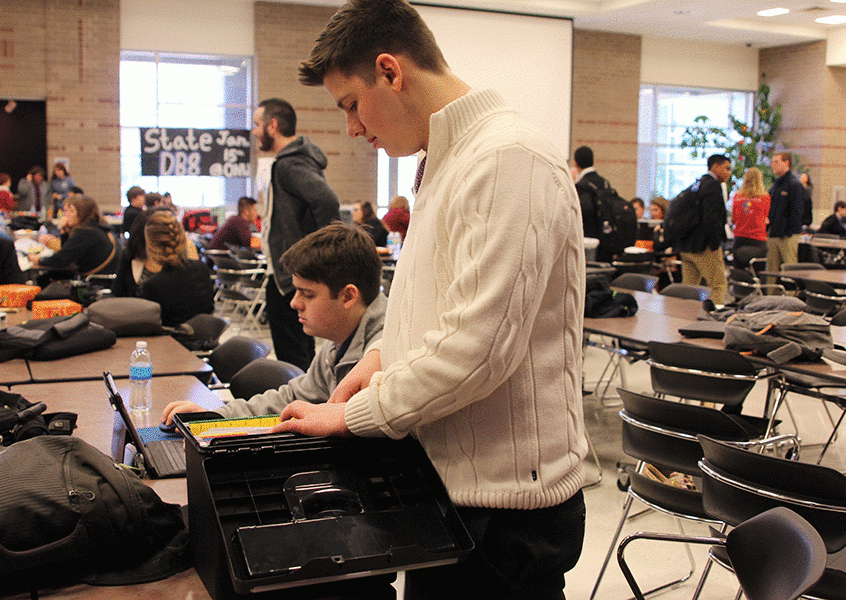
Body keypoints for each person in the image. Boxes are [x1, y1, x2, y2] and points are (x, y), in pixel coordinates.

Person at [274, 2, 588, 598]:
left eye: (350, 104)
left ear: (391, 71)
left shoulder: (506, 158)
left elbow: (478, 349)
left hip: (503, 513)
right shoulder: (447, 160)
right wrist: (380, 357)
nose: (353, 129)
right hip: (453, 486)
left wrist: (348, 415)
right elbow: (443, 311)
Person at [161, 222, 387, 424]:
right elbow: (291, 397)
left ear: (348, 296)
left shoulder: (384, 352)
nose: (294, 303)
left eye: (307, 294)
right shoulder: (339, 340)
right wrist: (215, 415)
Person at [254, 97, 341, 371]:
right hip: (291, 274)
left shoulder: (288, 165)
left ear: (273, 126)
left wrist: (319, 254)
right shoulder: (290, 161)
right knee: (300, 355)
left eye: (257, 124)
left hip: (289, 277)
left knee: (292, 360)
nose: (254, 131)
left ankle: (301, 411)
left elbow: (327, 201)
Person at [136, 209, 214, 327]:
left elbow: (147, 327)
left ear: (151, 245)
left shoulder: (153, 285)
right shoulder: (202, 270)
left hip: (172, 343)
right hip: (206, 340)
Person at [671, 154, 730, 304]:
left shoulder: (697, 184)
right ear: (715, 166)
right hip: (704, 246)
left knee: (689, 288)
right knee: (718, 285)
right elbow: (711, 218)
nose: (729, 173)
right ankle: (714, 320)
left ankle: (684, 318)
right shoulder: (712, 186)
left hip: (687, 246)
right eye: (726, 168)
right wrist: (715, 244)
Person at [29, 195, 117, 277]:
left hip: (95, 282)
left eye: (71, 211)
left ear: (82, 213)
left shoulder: (85, 232)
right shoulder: (94, 227)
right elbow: (66, 252)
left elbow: (61, 260)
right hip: (101, 276)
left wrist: (40, 259)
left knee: (45, 280)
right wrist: (64, 231)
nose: (67, 215)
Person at [573, 145, 616, 261]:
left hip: (589, 245)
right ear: (593, 161)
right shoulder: (605, 183)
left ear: (576, 163)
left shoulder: (581, 186)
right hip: (606, 241)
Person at [766, 152, 805, 277]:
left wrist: (788, 231)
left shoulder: (794, 184)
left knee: (790, 268)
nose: (773, 165)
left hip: (788, 235)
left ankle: (791, 295)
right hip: (774, 232)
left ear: (786, 163)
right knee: (771, 269)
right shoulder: (776, 185)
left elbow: (797, 211)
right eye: (772, 162)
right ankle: (770, 294)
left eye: (776, 162)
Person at [731, 167, 771, 267]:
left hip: (740, 238)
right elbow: (766, 216)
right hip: (758, 239)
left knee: (739, 270)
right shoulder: (765, 197)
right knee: (758, 270)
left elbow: (734, 218)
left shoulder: (737, 196)